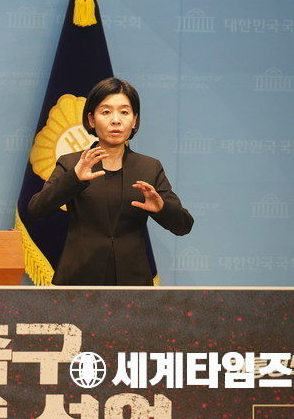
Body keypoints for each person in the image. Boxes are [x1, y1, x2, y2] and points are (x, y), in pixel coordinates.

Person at [28, 78, 193, 285]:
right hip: (78, 279)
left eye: (124, 112)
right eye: (106, 112)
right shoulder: (72, 163)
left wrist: (161, 208)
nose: (116, 120)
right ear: (91, 119)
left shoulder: (149, 167)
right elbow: (36, 209)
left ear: (134, 120)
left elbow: (183, 225)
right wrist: (74, 178)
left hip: (133, 282)